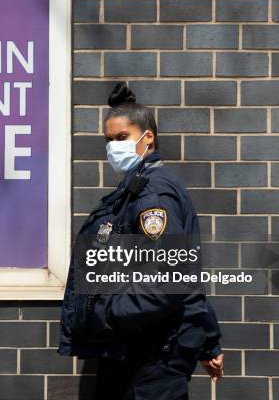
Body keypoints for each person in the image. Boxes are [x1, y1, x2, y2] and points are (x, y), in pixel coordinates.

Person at [58, 82, 224, 399]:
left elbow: (167, 278)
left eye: (122, 138)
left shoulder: (152, 196)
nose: (113, 147)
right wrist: (209, 341)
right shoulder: (136, 190)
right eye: (109, 140)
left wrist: (108, 314)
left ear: (147, 139)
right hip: (141, 352)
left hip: (149, 357)